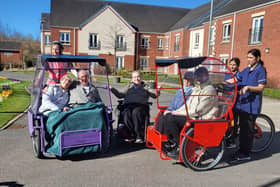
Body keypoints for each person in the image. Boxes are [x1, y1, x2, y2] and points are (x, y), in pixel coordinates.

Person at [159, 67, 219, 157]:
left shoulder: (209, 89)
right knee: (167, 115)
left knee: (171, 119)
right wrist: (176, 111)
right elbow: (187, 104)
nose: (197, 78)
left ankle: (179, 146)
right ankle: (172, 141)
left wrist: (178, 113)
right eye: (197, 75)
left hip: (201, 118)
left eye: (200, 75)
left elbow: (199, 110)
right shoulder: (197, 88)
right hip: (193, 115)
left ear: (206, 76)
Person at [229, 48, 266, 162]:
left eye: (251, 57)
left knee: (247, 130)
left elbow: (261, 87)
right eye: (248, 57)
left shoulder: (261, 70)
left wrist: (249, 87)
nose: (248, 60)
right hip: (242, 103)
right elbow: (235, 79)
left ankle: (245, 153)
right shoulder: (246, 70)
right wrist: (221, 82)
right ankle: (241, 150)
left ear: (257, 58)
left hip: (251, 105)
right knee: (242, 129)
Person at [110, 71, 157, 143]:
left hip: (141, 106)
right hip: (128, 106)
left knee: (136, 112)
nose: (136, 79)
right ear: (132, 79)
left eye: (138, 76)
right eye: (134, 77)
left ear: (141, 78)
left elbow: (154, 95)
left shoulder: (145, 86)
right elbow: (120, 95)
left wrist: (158, 91)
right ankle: (130, 134)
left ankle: (138, 135)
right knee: (126, 113)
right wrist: (112, 89)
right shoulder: (129, 86)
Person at [224, 57, 240, 148]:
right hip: (226, 99)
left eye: (234, 65)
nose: (232, 66)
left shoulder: (239, 75)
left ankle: (232, 140)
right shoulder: (226, 74)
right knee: (225, 120)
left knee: (233, 120)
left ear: (237, 66)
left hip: (235, 100)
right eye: (230, 64)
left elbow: (237, 85)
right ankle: (226, 137)